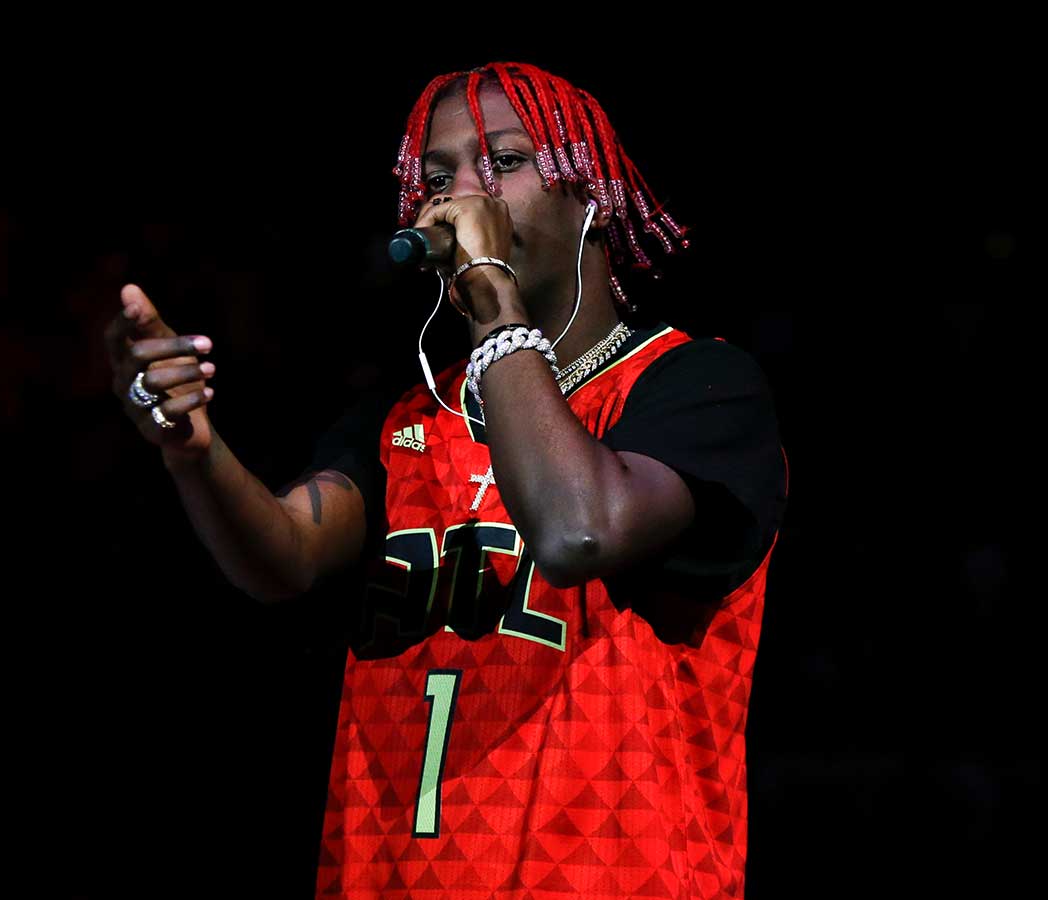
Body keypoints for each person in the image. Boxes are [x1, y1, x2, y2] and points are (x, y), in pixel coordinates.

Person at [104, 61, 788, 899]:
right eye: (438, 177)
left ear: (593, 197)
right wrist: (194, 450)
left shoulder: (695, 387)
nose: (463, 199)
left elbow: (581, 528)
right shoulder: (409, 417)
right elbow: (280, 556)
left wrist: (493, 297)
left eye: (503, 163)